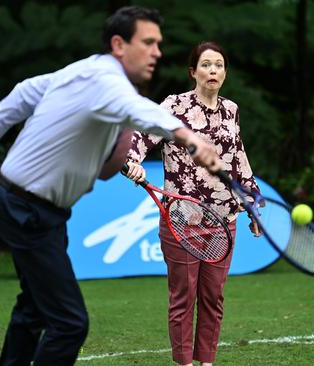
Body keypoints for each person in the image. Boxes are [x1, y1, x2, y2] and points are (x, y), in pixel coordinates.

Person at [0, 7, 222, 366]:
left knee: (34, 309)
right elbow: (140, 110)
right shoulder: (108, 84)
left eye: (159, 44)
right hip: (24, 207)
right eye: (149, 43)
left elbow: (26, 91)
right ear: (119, 44)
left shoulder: (83, 71)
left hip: (34, 208)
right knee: (70, 324)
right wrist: (190, 138)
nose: (157, 52)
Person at [123, 41, 260, 366]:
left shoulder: (232, 110)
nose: (213, 71)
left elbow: (238, 158)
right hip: (182, 220)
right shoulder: (174, 106)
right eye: (206, 65)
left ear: (224, 73)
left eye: (219, 65)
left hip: (223, 219)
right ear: (193, 71)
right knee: (183, 299)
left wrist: (252, 201)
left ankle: (207, 363)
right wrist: (131, 161)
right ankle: (184, 363)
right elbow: (141, 137)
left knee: (213, 298)